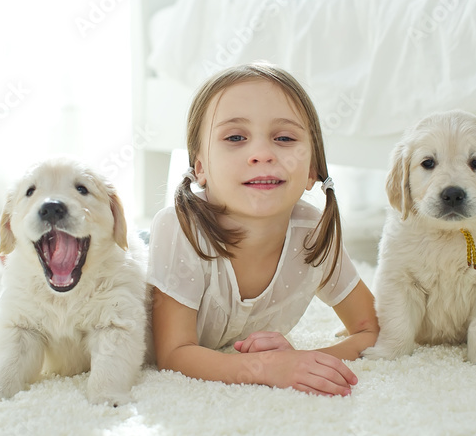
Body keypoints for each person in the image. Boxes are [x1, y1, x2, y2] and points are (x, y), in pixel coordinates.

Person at [149, 62, 379, 397]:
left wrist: (303, 360)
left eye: (284, 138)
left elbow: (373, 329)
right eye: (235, 137)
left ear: (312, 168)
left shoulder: (311, 232)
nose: (261, 154)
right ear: (200, 168)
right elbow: (173, 353)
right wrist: (264, 368)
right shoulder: (178, 228)